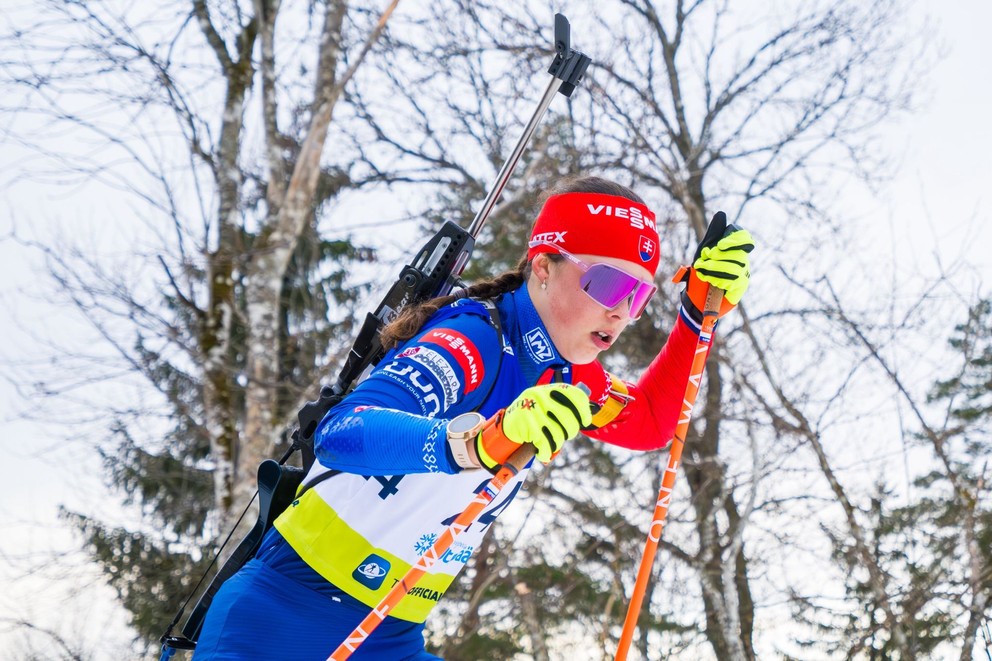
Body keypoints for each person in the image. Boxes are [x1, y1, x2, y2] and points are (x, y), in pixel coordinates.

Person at [193, 176, 754, 660]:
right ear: (543, 268)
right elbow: (343, 430)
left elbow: (653, 421)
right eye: (607, 283)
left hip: (389, 636)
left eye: (638, 295)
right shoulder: (474, 341)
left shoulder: (567, 375)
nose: (621, 311)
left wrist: (694, 314)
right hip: (283, 620)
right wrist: (481, 443)